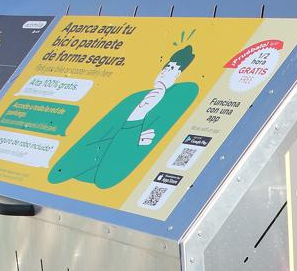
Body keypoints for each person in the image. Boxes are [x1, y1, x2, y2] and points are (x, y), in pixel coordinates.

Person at [48, 45, 197, 189]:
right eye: (165, 67)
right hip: (87, 168)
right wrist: (132, 136)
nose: (165, 72)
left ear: (178, 74)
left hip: (106, 171)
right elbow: (90, 141)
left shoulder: (184, 92)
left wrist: (137, 118)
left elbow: (107, 178)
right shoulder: (134, 99)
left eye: (171, 69)